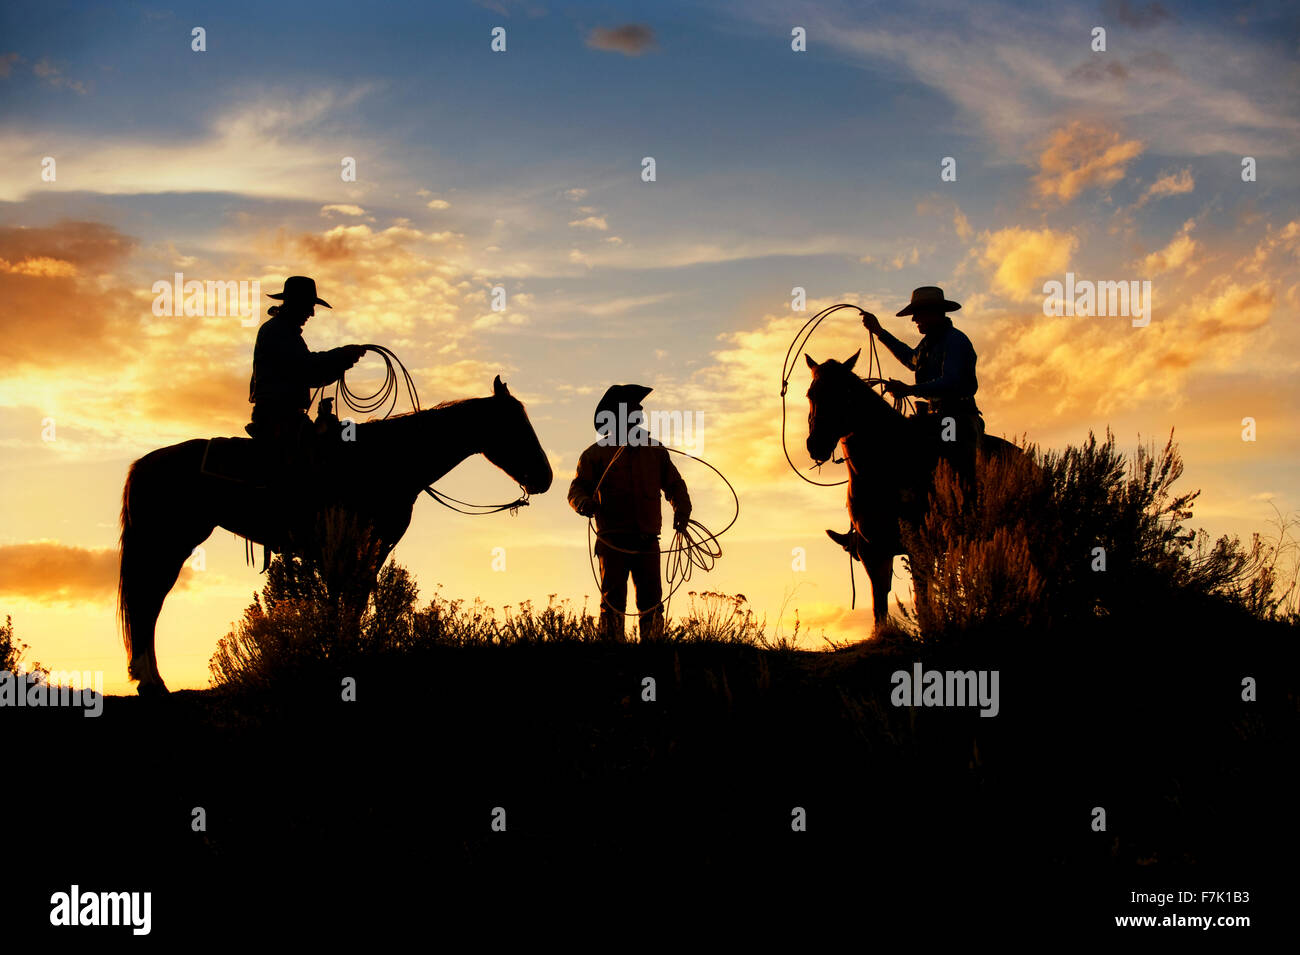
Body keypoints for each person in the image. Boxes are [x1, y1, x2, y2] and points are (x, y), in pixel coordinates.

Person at [828, 285, 984, 555]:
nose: (914, 320)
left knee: (948, 454)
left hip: (957, 417)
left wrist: (911, 390)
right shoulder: (929, 344)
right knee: (885, 445)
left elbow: (953, 381)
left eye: (918, 314)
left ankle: (959, 514)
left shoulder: (956, 341)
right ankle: (867, 525)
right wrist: (879, 333)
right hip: (935, 416)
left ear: (934, 313)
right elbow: (911, 359)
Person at [568, 385, 692, 643]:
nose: (640, 415)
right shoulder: (595, 454)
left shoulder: (655, 451)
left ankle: (654, 653)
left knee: (651, 603)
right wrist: (584, 503)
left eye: (639, 411)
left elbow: (674, 485)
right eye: (634, 411)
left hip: (647, 540)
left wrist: (682, 507)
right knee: (612, 603)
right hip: (612, 541)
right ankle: (612, 653)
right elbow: (577, 489)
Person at [245, 275, 367, 486]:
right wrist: (342, 356)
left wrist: (343, 361)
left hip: (284, 416)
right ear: (295, 303)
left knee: (341, 434)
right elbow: (306, 368)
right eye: (309, 306)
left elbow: (310, 372)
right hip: (279, 419)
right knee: (338, 443)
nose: (311, 313)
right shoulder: (278, 331)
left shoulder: (282, 331)